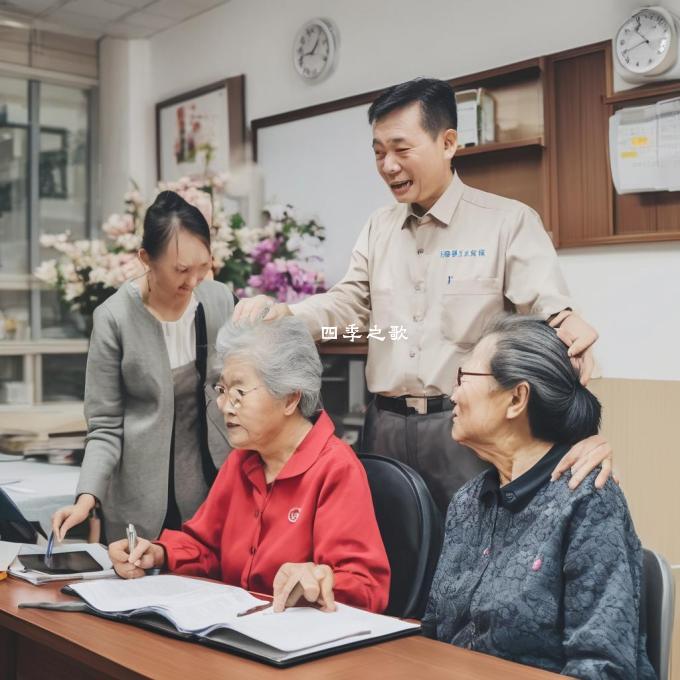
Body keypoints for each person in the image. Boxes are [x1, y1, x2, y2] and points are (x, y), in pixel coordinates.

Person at [233, 77, 611, 512]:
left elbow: (550, 316)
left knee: (470, 558)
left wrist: (567, 325)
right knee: (389, 556)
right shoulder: (378, 227)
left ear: (448, 142)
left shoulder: (507, 222)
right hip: (385, 426)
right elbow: (349, 306)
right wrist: (288, 316)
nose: (388, 165)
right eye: (378, 152)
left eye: (401, 149)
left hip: (468, 429)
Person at [421, 315, 655, 679]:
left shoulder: (587, 501)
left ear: (517, 398)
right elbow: (434, 636)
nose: (453, 394)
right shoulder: (468, 502)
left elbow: (603, 667)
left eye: (464, 378)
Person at [107, 317, 390, 614]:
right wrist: (158, 553)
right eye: (222, 390)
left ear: (290, 398)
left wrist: (320, 580)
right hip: (238, 631)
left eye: (239, 393)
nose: (224, 405)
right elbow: (206, 548)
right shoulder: (241, 461)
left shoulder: (334, 468)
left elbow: (367, 587)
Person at [52, 191, 235, 543]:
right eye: (181, 270)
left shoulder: (219, 300)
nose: (194, 281)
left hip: (216, 488)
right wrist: (85, 499)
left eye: (203, 266)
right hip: (140, 500)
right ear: (145, 259)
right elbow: (104, 426)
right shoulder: (114, 318)